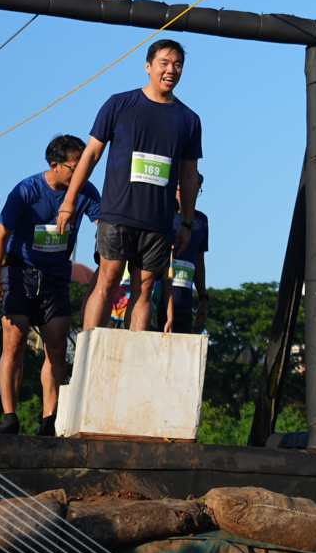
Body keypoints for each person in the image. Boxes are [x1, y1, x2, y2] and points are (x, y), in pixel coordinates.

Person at [54, 39, 201, 332]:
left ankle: (132, 355)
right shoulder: (119, 104)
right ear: (148, 66)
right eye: (164, 63)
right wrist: (69, 202)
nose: (171, 70)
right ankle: (89, 349)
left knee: (144, 288)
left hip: (158, 222)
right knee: (107, 279)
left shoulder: (189, 119)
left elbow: (188, 176)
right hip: (117, 213)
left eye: (177, 65)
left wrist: (186, 222)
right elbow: (90, 155)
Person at [0, 135, 99, 436]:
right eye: (75, 167)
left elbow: (105, 225)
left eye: (85, 166)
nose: (81, 172)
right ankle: (10, 417)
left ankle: (49, 421)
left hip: (56, 278)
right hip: (19, 272)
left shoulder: (86, 191)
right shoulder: (26, 190)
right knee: (15, 341)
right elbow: (0, 236)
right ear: (54, 165)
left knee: (57, 346)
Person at [162, 177, 209, 335]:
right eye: (186, 188)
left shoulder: (201, 221)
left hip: (184, 308)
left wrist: (203, 298)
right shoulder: (161, 214)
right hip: (156, 304)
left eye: (196, 190)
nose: (191, 193)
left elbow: (199, 262)